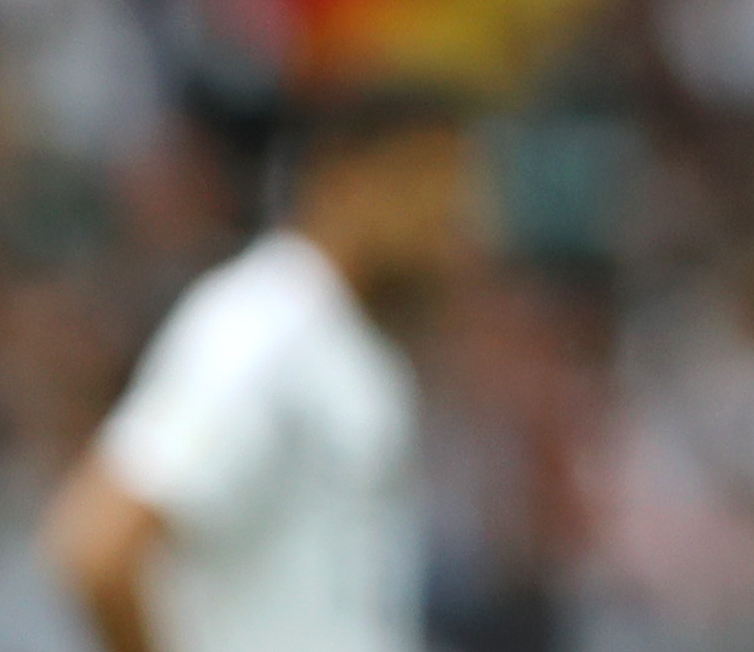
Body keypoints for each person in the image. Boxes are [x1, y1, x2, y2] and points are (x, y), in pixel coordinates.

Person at [41, 86, 479, 652]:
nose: (451, 226)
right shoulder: (263, 328)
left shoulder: (351, 348)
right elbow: (96, 547)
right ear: (342, 180)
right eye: (428, 188)